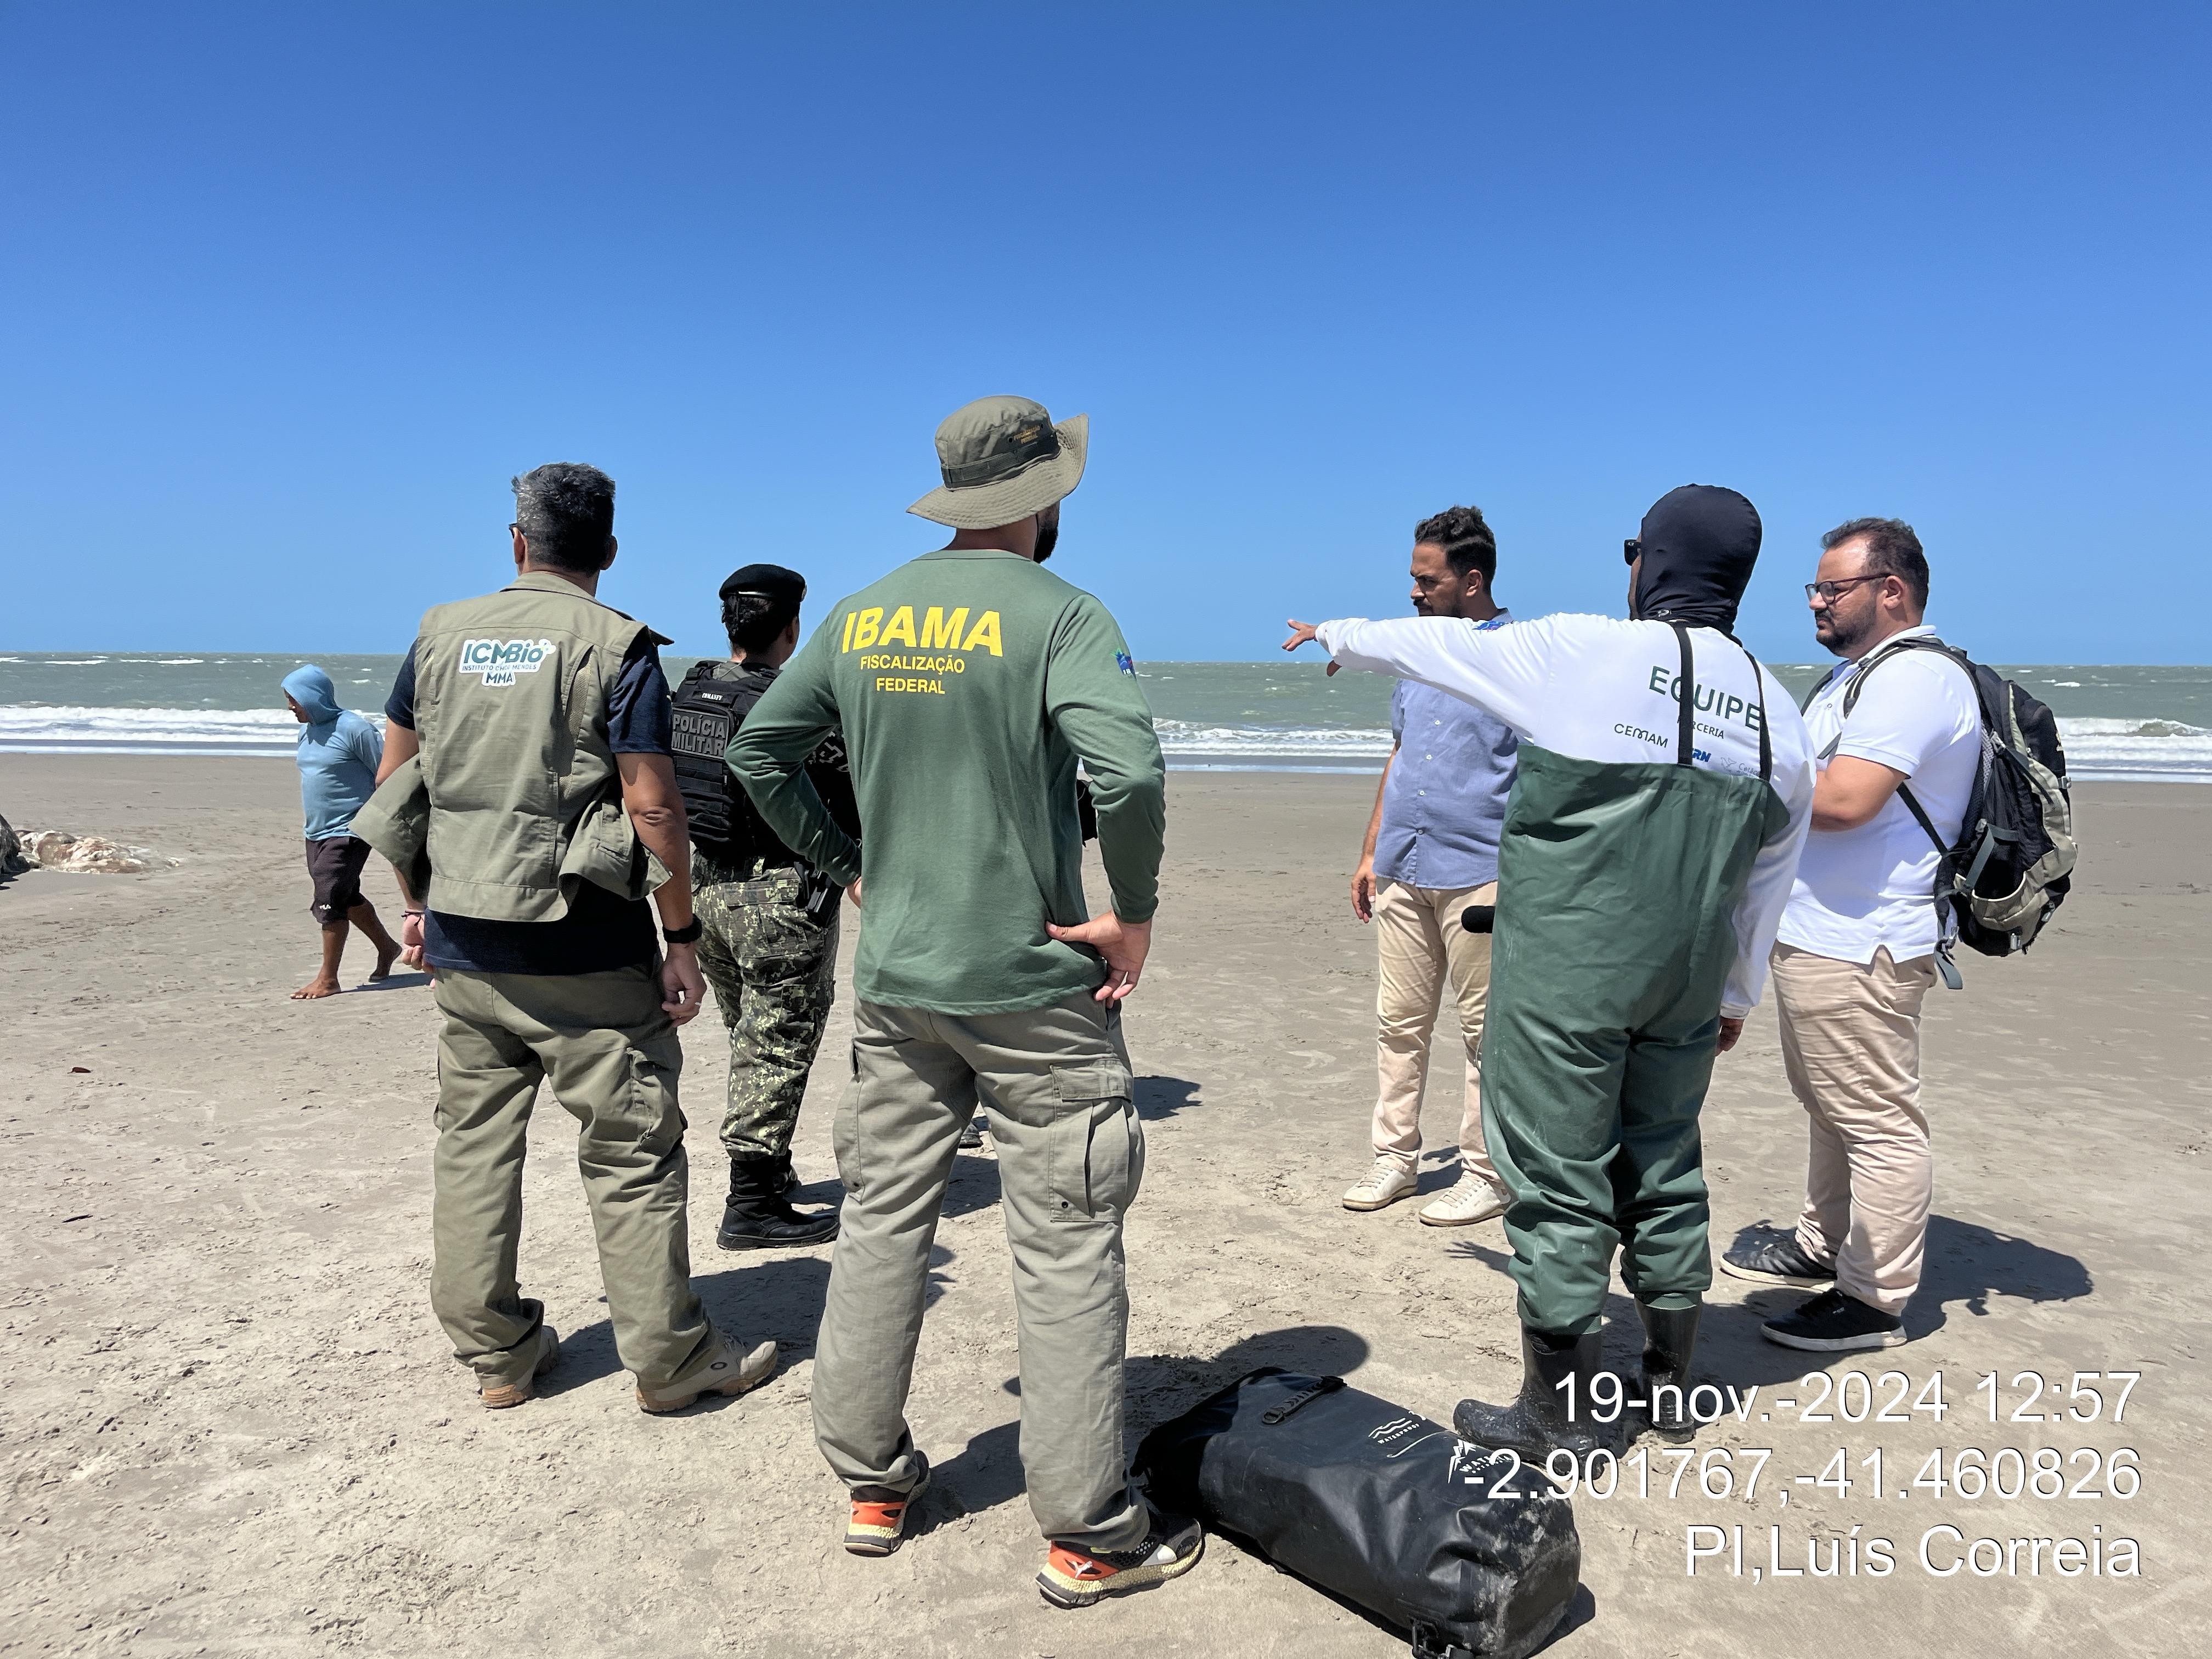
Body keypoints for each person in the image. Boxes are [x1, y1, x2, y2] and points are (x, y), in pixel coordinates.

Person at [729, 395, 1199, 1609]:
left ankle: (873, 1482)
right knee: (1067, 1242)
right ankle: (1090, 1528)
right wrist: (1133, 905)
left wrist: (847, 870)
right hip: (1033, 981)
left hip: (899, 981)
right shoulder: (1064, 614)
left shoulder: (866, 608)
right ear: (1041, 498)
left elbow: (759, 754)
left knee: (883, 1221)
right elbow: (1132, 769)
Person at [1284, 483, 1814, 1458]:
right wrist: (1734, 993)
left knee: (1557, 1167)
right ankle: (1665, 1379)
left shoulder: (1583, 649)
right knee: (1663, 1159)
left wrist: (1337, 631)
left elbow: (1434, 646)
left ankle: (1552, 1409)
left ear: (1648, 563)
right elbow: (1765, 884)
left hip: (1572, 967)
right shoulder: (1781, 718)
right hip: (1685, 980)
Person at [362, 462, 776, 1415]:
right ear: (610, 552)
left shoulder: (439, 633)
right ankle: (670, 1361)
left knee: (471, 1141)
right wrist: (678, 934)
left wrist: (417, 898)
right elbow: (653, 802)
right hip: (583, 945)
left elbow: (396, 775)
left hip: (465, 939)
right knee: (630, 1148)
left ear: (516, 542)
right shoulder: (617, 644)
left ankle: (497, 1351)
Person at [1721, 519, 1977, 1353]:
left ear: (1890, 591)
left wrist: (1730, 779)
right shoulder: (1856, 678)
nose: (1818, 604)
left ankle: (1874, 1300)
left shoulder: (1914, 681)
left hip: (1864, 940)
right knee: (1830, 1105)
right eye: (1817, 590)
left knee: (1875, 1120)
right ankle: (1820, 1243)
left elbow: (1840, 801)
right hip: (1823, 932)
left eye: (1833, 589)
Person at [1342, 506, 1519, 1226]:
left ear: (1470, 580)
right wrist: (1368, 850)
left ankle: (1486, 1171)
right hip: (1402, 865)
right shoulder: (1415, 656)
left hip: (1483, 869)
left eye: (1426, 579)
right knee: (1399, 1023)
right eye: (1413, 579)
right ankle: (1395, 1160)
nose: (1414, 592)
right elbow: (1400, 752)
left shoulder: (1520, 657)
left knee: (1486, 1034)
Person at [670, 562, 854, 1250]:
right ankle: (751, 1204)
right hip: (778, 893)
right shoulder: (788, 704)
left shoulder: (694, 691)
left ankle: (769, 1176)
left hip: (706, 886)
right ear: (791, 626)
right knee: (775, 1047)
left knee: (752, 1038)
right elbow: (849, 784)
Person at [281, 664, 400, 999]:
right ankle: (388, 948)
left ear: (313, 697)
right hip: (316, 830)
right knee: (345, 896)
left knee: (329, 899)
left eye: (294, 699)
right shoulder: (306, 730)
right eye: (288, 698)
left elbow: (388, 774)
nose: (291, 706)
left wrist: (388, 822)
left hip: (351, 828)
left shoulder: (355, 729)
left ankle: (328, 978)